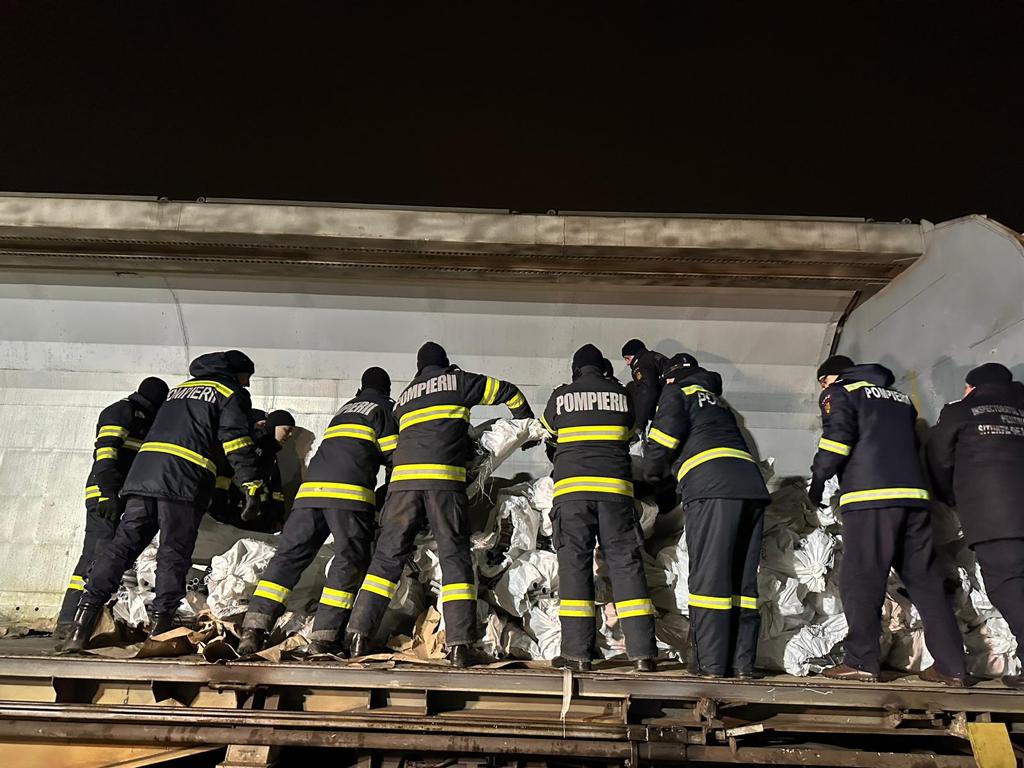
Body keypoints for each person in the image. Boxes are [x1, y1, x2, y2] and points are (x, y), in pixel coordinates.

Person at [61, 350, 264, 652]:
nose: (247, 384)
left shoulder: (179, 390)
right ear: (236, 373)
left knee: (121, 548)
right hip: (182, 481)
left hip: (142, 479)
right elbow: (235, 440)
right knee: (173, 553)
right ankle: (160, 629)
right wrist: (251, 483)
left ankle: (81, 625)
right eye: (247, 377)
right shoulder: (229, 392)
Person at [346, 342, 533, 667]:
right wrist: (524, 419)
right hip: (442, 481)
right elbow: (508, 391)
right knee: (454, 557)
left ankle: (358, 635)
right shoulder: (457, 381)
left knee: (386, 559)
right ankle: (460, 644)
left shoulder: (404, 397)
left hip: (402, 486)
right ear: (445, 363)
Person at [809, 355, 968, 686]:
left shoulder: (841, 392)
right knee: (925, 582)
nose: (824, 388)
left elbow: (837, 439)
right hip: (914, 498)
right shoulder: (900, 399)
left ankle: (861, 661)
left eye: (824, 381)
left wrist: (818, 480)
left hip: (871, 498)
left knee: (861, 578)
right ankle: (952, 666)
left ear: (835, 376)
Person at [237, 368, 397, 657]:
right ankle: (324, 638)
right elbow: (394, 458)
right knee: (348, 560)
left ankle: (253, 630)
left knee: (288, 557)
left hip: (310, 494)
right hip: (348, 496)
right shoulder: (383, 409)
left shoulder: (344, 410)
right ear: (386, 391)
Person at [643, 353, 769, 678]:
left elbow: (661, 443)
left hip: (713, 488)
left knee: (709, 576)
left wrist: (651, 477)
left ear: (670, 378)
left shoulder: (677, 392)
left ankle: (710, 664)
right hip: (752, 488)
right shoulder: (719, 404)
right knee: (742, 581)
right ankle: (741, 664)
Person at [542, 344, 657, 672]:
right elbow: (631, 433)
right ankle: (643, 654)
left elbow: (549, 435)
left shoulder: (561, 396)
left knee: (575, 567)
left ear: (576, 370)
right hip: (615, 493)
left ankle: (577, 654)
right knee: (626, 564)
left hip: (572, 494)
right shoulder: (622, 396)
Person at [927, 362, 1024, 689]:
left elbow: (939, 458)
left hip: (996, 519)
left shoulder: (960, 412)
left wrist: (947, 497)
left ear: (971, 388)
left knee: (1007, 585)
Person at [54, 377, 169, 646]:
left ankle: (88, 621)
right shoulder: (121, 411)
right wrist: (107, 492)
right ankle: (70, 620)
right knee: (97, 553)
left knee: (109, 555)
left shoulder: (147, 419)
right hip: (105, 494)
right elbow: (106, 453)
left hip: (120, 495)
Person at [208, 409, 296, 533]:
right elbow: (226, 475)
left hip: (258, 518)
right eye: (286, 430)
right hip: (236, 514)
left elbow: (275, 487)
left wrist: (276, 517)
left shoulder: (270, 453)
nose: (290, 435)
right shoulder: (251, 447)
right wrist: (219, 505)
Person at [621, 339, 668, 435]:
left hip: (665, 412)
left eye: (627, 358)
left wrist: (640, 425)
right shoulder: (656, 358)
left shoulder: (642, 364)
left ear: (635, 355)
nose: (627, 363)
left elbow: (646, 392)